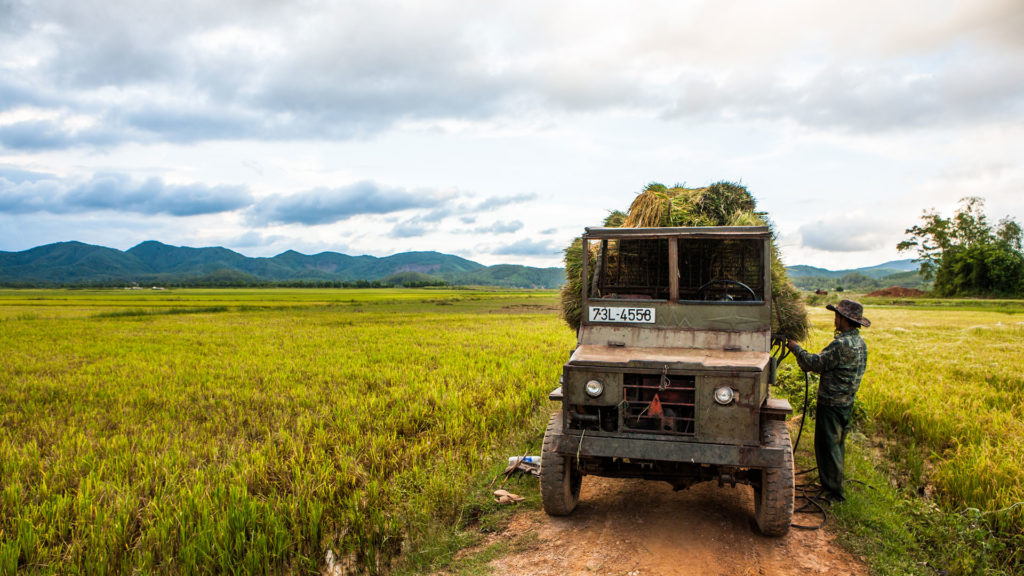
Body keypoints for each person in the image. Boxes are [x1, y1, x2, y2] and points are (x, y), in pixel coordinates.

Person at [786, 299, 870, 502]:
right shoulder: (859, 342)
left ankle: (834, 492)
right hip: (846, 402)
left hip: (832, 404)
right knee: (837, 444)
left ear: (845, 320)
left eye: (837, 316)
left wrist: (795, 347)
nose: (835, 320)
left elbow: (814, 363)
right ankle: (830, 482)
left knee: (828, 445)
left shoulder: (841, 344)